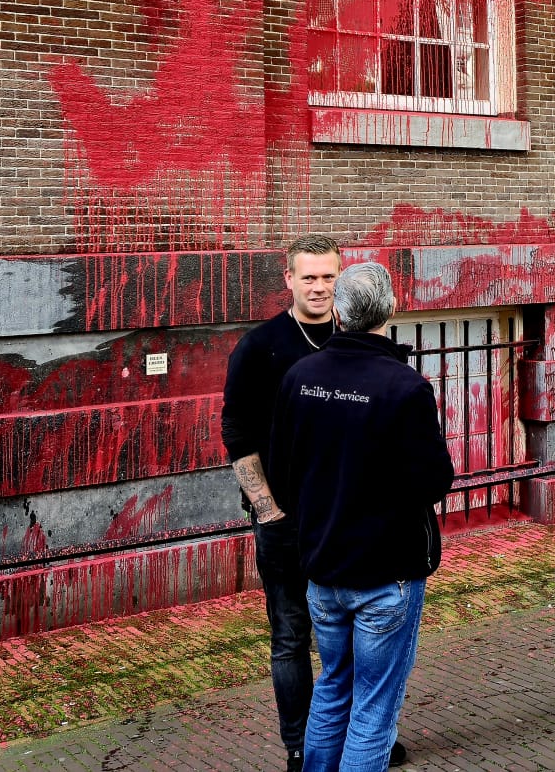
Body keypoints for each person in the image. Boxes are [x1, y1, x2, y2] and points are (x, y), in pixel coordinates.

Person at [270, 262, 454, 772]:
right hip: (385, 573)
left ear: (339, 311)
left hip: (323, 569)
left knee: (332, 689)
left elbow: (283, 474)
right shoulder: (405, 387)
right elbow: (435, 481)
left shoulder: (300, 377)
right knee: (374, 707)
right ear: (392, 309)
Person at [221, 235, 343, 772]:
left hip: (345, 521)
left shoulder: (354, 339)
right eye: (309, 277)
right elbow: (236, 434)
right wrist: (267, 509)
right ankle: (300, 749)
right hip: (286, 520)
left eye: (328, 277)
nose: (319, 288)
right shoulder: (261, 345)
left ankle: (360, 739)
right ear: (289, 279)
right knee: (292, 637)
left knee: (354, 639)